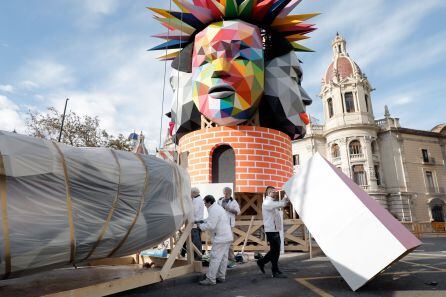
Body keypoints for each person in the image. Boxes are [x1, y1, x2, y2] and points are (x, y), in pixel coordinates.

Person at [197, 195, 233, 285]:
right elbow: (211, 220)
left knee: (215, 258)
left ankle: (211, 279)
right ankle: (221, 276)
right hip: (227, 236)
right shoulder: (217, 208)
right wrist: (203, 220)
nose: (204, 205)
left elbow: (211, 225)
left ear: (209, 202)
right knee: (224, 258)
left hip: (221, 238)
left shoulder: (213, 210)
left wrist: (200, 226)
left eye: (205, 203)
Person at [257, 186, 290, 278]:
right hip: (271, 230)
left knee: (276, 251)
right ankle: (263, 263)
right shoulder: (267, 203)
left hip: (274, 229)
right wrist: (286, 196)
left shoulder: (271, 202)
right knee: (274, 251)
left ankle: (274, 269)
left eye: (275, 191)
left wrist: (286, 198)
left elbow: (282, 203)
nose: (275, 193)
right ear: (268, 193)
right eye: (273, 192)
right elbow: (282, 204)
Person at [218, 187, 240, 267]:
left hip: (229, 225)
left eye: (227, 193)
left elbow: (238, 212)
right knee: (221, 242)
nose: (225, 195)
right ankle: (223, 261)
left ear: (230, 193)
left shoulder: (234, 202)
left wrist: (229, 209)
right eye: (224, 193)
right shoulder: (219, 201)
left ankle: (232, 261)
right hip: (220, 225)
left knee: (229, 243)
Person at [181, 187, 204, 259]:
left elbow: (194, 211)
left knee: (196, 242)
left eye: (190, 193)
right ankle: (194, 257)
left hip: (194, 224)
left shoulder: (197, 200)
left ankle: (197, 259)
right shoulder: (196, 199)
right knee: (194, 241)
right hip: (194, 224)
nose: (190, 194)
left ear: (194, 193)